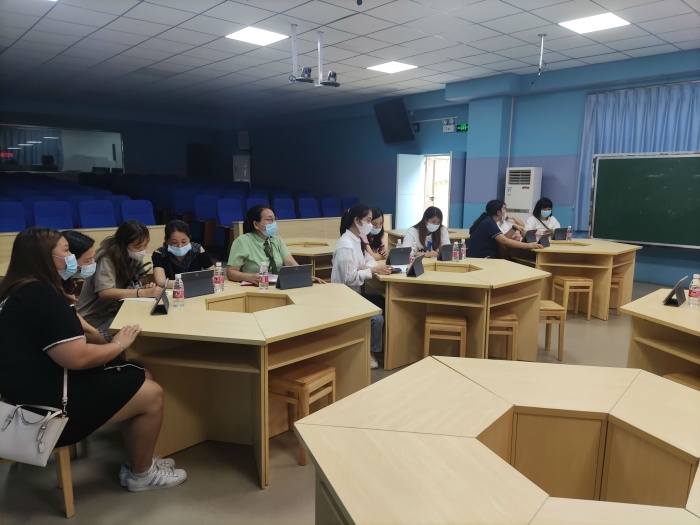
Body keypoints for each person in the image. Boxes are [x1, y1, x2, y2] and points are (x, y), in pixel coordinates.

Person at [0, 227, 187, 491]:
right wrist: (119, 343)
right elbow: (78, 358)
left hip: (28, 391)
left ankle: (139, 459)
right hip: (46, 410)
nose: (72, 258)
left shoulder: (20, 289)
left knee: (141, 374)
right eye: (66, 251)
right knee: (151, 392)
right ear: (45, 257)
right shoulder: (41, 296)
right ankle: (141, 475)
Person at [331, 203, 394, 369]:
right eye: (368, 220)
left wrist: (368, 267)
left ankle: (378, 346)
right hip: (344, 297)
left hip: (354, 293)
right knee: (377, 318)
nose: (370, 225)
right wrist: (372, 270)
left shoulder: (357, 239)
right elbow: (349, 278)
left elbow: (370, 259)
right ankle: (368, 352)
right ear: (357, 220)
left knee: (384, 302)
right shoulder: (346, 245)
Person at [77, 220, 162, 340]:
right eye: (137, 247)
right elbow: (105, 292)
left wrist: (147, 288)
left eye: (145, 245)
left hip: (117, 311)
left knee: (150, 321)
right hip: (95, 319)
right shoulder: (107, 257)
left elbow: (142, 283)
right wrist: (142, 292)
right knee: (138, 330)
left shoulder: (133, 255)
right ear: (123, 245)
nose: (142, 250)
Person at [226, 204, 324, 284]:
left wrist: (304, 275)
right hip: (256, 287)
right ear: (256, 224)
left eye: (274, 219)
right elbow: (231, 272)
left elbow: (290, 262)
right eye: (269, 220)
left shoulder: (277, 240)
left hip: (279, 285)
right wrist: (249, 277)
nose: (273, 223)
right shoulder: (242, 241)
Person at [60, 230, 107, 344]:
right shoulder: (53, 289)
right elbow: (87, 331)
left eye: (93, 258)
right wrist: (116, 346)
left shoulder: (68, 281)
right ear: (69, 260)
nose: (92, 263)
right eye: (87, 260)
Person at [468, 200, 542, 258]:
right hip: (483, 258)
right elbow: (505, 241)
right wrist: (530, 246)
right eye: (504, 209)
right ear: (498, 212)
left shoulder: (488, 220)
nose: (506, 212)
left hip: (482, 256)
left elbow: (503, 238)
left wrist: (513, 228)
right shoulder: (489, 223)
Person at [152, 220, 214, 288]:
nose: (180, 246)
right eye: (174, 242)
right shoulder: (160, 254)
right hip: (172, 291)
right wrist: (194, 283)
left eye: (184, 242)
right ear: (166, 241)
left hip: (196, 290)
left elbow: (213, 273)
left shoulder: (197, 249)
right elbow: (161, 282)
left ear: (189, 238)